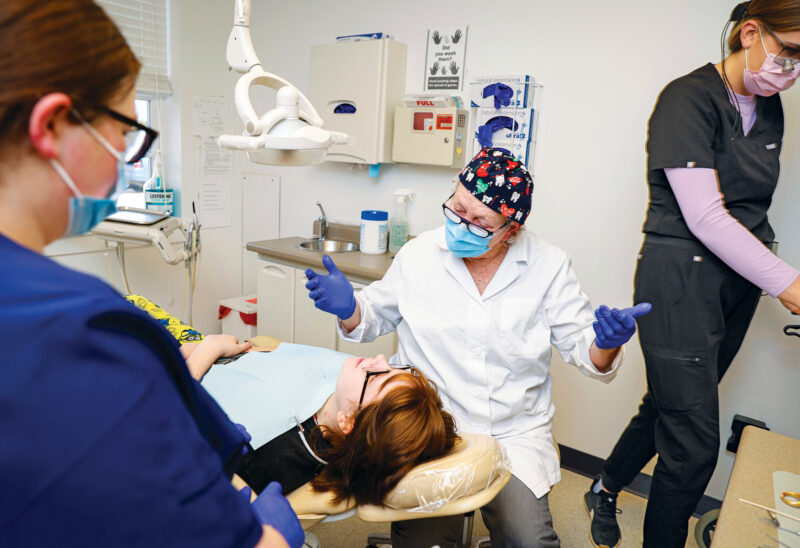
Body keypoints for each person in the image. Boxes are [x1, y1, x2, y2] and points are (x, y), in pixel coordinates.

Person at [0, 1, 302, 546]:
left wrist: (206, 351)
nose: (124, 155)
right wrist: (275, 532)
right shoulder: (88, 332)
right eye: (125, 130)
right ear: (50, 124)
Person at [304, 147, 651, 548]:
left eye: (479, 223)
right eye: (457, 209)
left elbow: (584, 349)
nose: (461, 225)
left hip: (513, 434)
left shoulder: (549, 265)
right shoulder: (419, 254)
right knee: (425, 543)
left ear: (511, 231)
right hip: (427, 427)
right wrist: (350, 308)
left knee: (529, 542)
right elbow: (372, 317)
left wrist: (605, 345)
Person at [583, 2, 800, 547]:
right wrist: (788, 282)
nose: (793, 69)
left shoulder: (770, 108)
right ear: (751, 33)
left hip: (737, 281)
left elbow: (749, 206)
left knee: (671, 404)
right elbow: (705, 216)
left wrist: (767, 275)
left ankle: (606, 486)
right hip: (680, 277)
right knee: (694, 442)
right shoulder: (686, 98)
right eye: (790, 52)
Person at [181, 337, 459, 505]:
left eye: (377, 376)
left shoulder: (268, 448)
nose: (380, 358)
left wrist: (208, 350)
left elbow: (162, 416)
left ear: (348, 422)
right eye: (392, 368)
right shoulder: (332, 410)